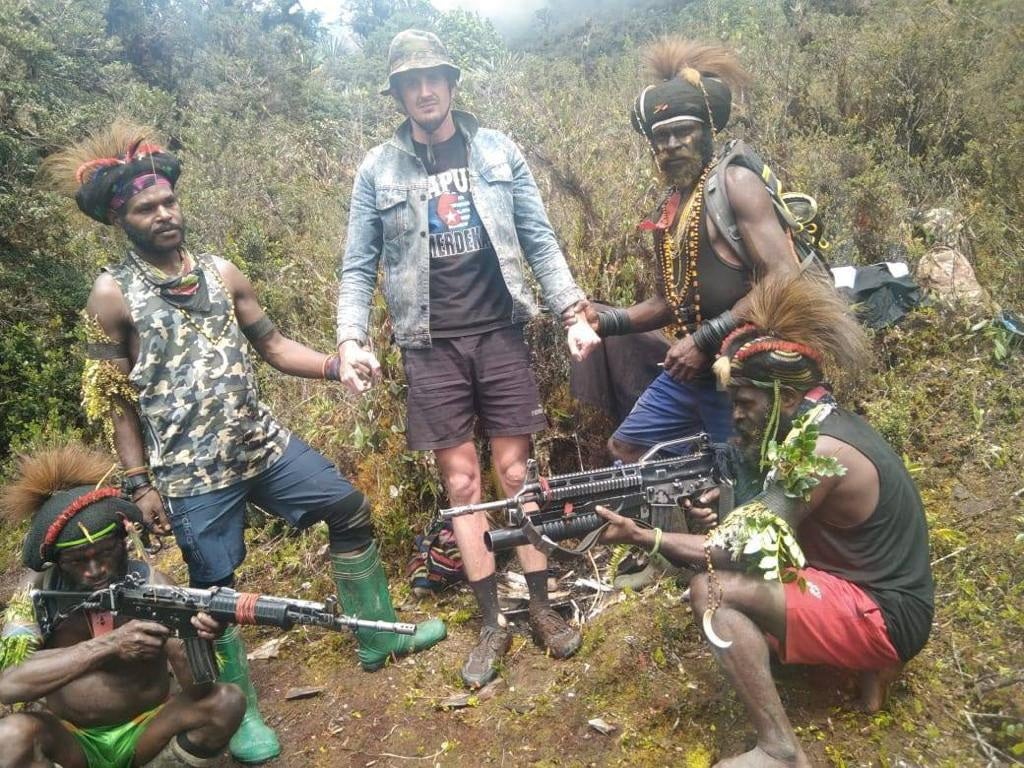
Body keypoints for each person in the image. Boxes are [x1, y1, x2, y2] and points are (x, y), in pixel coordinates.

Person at [42, 121, 446, 763]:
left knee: (347, 508)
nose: (164, 214)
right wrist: (139, 483)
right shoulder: (111, 295)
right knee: (215, 593)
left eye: (169, 201)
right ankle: (241, 712)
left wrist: (338, 365)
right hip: (191, 473)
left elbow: (275, 346)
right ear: (123, 219)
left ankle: (379, 639)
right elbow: (114, 401)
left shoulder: (222, 271)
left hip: (261, 445)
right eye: (147, 208)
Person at [335, 29, 601, 689]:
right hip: (430, 344)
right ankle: (492, 623)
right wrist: (349, 339)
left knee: (518, 472)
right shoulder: (378, 169)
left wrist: (572, 311)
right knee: (461, 486)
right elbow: (357, 265)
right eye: (410, 82)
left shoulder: (496, 150)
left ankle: (539, 604)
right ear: (397, 94)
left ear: (451, 84)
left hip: (499, 332)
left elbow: (538, 237)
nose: (424, 91)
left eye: (433, 78)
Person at [596, 275, 934, 767]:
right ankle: (871, 669)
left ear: (788, 399)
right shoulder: (821, 425)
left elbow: (736, 555)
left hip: (887, 616)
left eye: (745, 403)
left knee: (712, 590)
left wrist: (644, 537)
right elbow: (773, 529)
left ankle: (781, 750)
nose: (734, 416)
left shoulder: (816, 451)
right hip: (883, 596)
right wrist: (723, 509)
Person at [585, 38, 798, 463]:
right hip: (692, 367)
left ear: (706, 131)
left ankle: (717, 495)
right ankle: (694, 497)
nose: (672, 144)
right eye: (661, 136)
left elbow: (784, 275)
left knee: (741, 472)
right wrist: (603, 323)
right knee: (627, 448)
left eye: (684, 131)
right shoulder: (670, 208)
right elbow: (670, 302)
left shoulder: (734, 184)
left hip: (744, 367)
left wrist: (705, 339)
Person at [0, 445, 245, 768]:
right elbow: (9, 683)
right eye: (77, 561)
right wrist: (109, 645)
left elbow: (201, 692)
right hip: (70, 739)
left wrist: (196, 639)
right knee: (10, 736)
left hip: (148, 730)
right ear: (57, 561)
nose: (94, 570)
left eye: (104, 554)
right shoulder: (34, 593)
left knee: (226, 702)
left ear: (123, 541)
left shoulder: (154, 585)